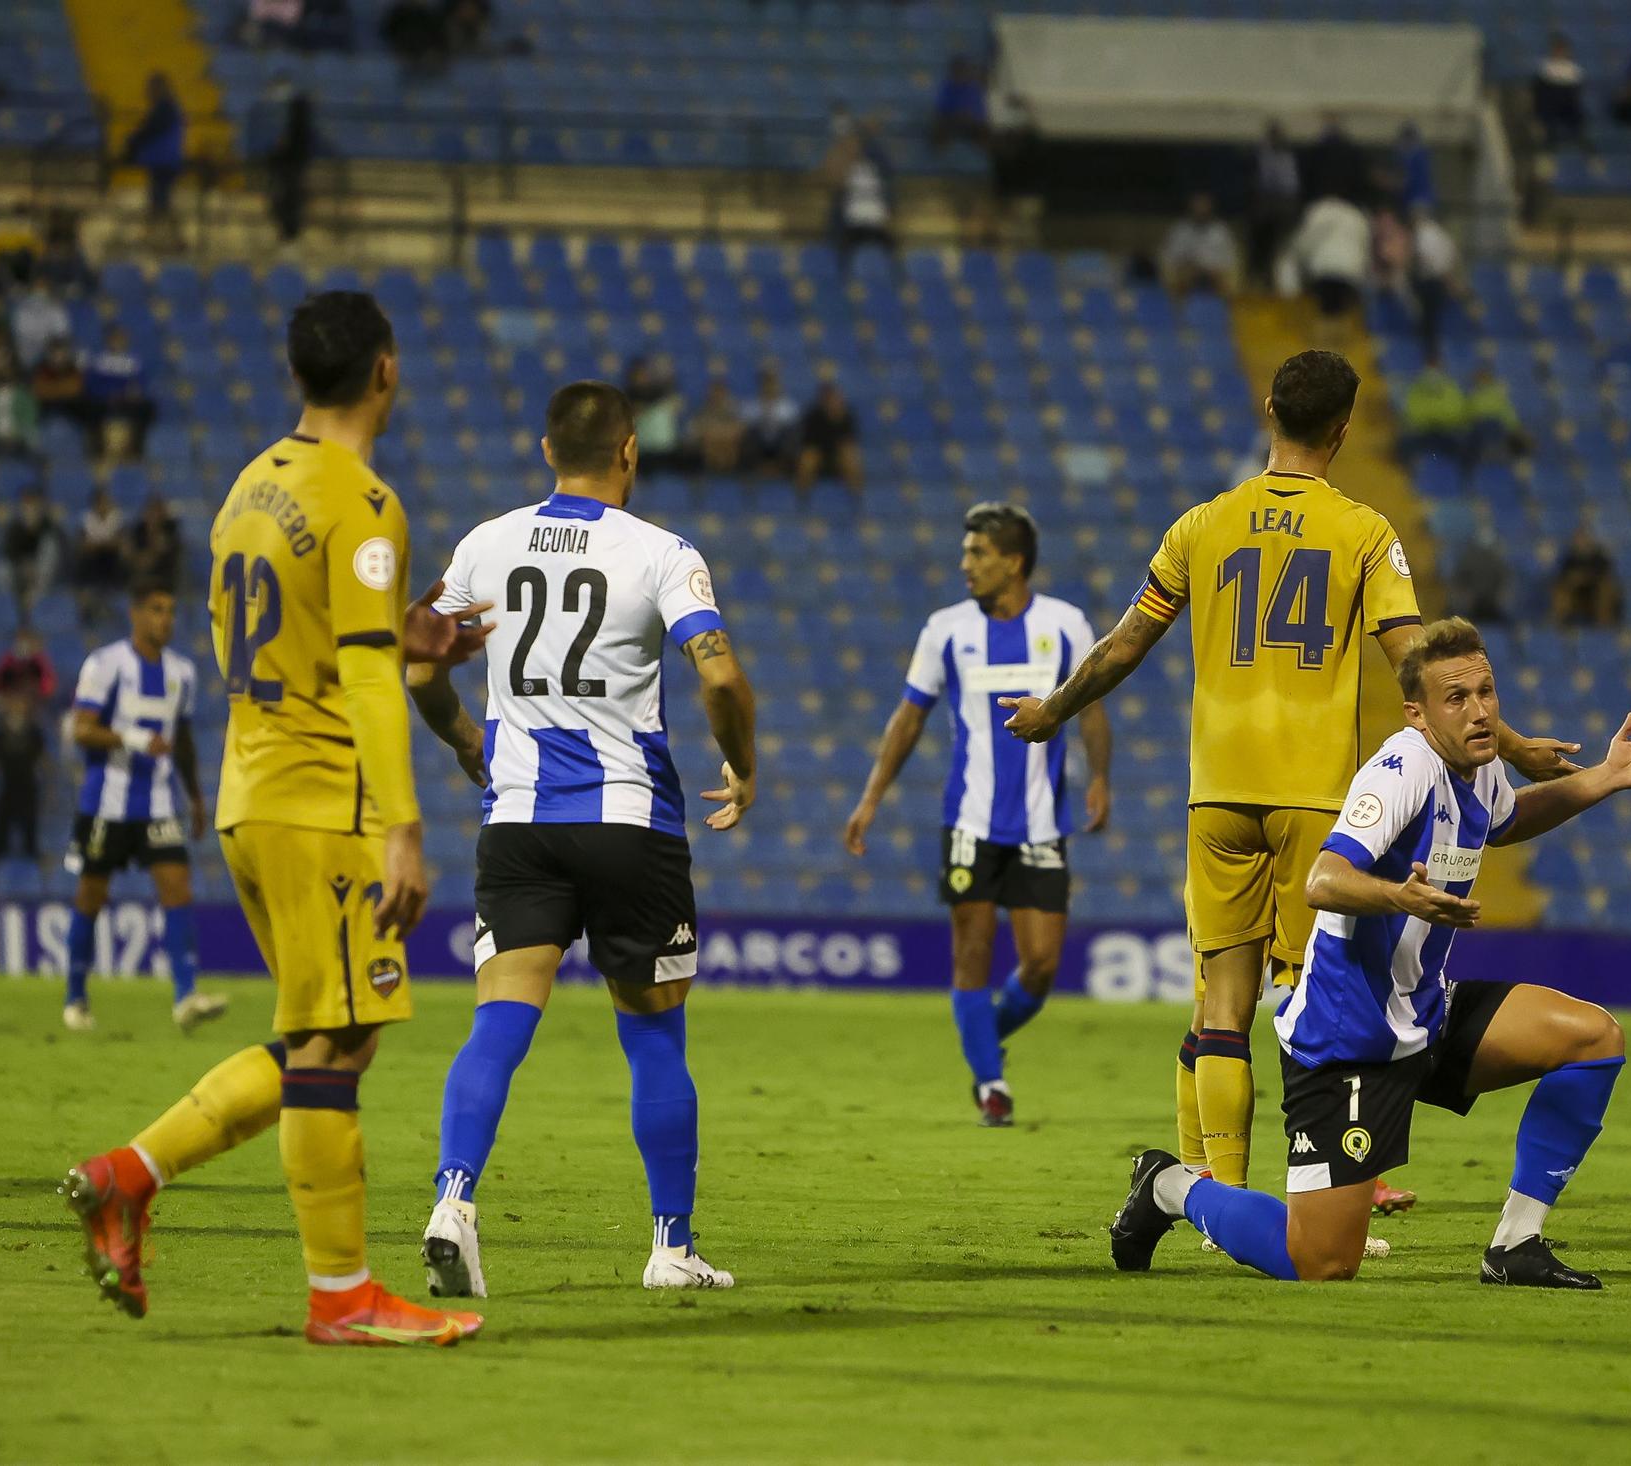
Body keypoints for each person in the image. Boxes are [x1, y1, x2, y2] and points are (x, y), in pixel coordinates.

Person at [1000, 352, 1578, 1212]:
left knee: (1222, 1000)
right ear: (1344, 431)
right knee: (1328, 1001)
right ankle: (1341, 1182)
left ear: (1269, 408)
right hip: (1314, 799)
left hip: (1217, 793)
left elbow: (1125, 644)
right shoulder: (1364, 532)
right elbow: (1420, 665)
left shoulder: (1201, 524)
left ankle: (1223, 1207)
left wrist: (1053, 707)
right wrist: (1516, 744)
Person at [61, 291, 492, 1345]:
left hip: (250, 796)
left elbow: (290, 634)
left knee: (317, 1035)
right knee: (337, 1048)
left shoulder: (247, 486)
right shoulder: (364, 500)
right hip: (323, 803)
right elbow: (359, 675)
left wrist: (399, 638)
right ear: (384, 372)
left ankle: (129, 1174)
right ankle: (342, 1295)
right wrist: (401, 823)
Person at [1107, 619, 1631, 1288]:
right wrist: (1398, 898)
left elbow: (1507, 820)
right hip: (1348, 1038)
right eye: (1456, 698)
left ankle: (1515, 1244)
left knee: (1593, 1038)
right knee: (1320, 1262)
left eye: (1486, 691)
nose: (1479, 710)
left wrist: (1605, 778)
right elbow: (1324, 879)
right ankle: (1170, 1186)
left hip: (1422, 1014)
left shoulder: (1483, 765)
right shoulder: (1404, 767)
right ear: (1419, 712)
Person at [407, 380, 758, 1299]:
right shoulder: (662, 553)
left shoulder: (486, 545)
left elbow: (417, 659)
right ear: (631, 452)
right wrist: (742, 762)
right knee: (654, 1039)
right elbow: (718, 674)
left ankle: (453, 1201)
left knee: (499, 1021)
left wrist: (460, 736)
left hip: (518, 821)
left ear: (545, 449)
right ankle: (672, 1246)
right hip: (627, 824)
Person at [845, 503, 1111, 1126]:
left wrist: (1100, 777)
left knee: (1041, 965)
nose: (965, 565)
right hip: (969, 822)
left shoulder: (1066, 624)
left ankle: (983, 1037)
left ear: (1013, 563)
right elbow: (908, 718)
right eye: (966, 552)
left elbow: (1092, 709)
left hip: (1042, 823)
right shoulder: (945, 629)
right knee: (972, 950)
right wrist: (871, 796)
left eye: (978, 554)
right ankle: (992, 1083)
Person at [57, 582, 218, 1034]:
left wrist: (196, 796)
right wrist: (131, 738)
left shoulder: (182, 673)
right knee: (91, 896)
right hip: (105, 803)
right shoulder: (105, 665)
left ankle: (186, 996)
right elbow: (81, 729)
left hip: (161, 802)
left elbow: (181, 741)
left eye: (169, 610)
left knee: (178, 889)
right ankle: (75, 997)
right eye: (155, 610)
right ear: (135, 614)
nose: (164, 619)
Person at [0, 688, 46, 874]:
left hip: (29, 790)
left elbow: (45, 765)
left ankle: (35, 882)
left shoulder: (34, 733)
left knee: (31, 841)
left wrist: (50, 793)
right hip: (7, 790)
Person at [826, 122, 896, 275]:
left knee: (891, 251)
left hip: (875, 224)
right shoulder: (845, 168)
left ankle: (894, 284)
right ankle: (846, 281)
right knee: (844, 252)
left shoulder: (876, 166)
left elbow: (889, 170)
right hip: (853, 224)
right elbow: (834, 185)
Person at [1290, 194, 1371, 325]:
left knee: (1323, 316)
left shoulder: (1319, 209)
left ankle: (1324, 340)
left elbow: (1304, 241)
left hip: (1323, 271)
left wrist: (1301, 269)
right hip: (1350, 274)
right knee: (1340, 317)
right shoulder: (1357, 214)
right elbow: (1365, 246)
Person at [124, 74, 186, 235]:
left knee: (159, 200)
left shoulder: (165, 108)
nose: (147, 92)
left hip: (163, 159)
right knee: (160, 199)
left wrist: (131, 144)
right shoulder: (169, 107)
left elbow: (148, 131)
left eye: (150, 88)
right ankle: (164, 235)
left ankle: (164, 235)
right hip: (166, 160)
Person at [84, 325, 155, 458]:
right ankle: (97, 448)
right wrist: (109, 394)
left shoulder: (133, 361)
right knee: (90, 408)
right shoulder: (99, 361)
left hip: (127, 401)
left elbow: (141, 383)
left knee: (147, 408)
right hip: (104, 400)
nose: (118, 343)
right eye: (115, 340)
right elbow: (91, 385)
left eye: (121, 340)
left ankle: (136, 447)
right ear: (108, 341)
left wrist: (134, 392)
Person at [1248, 122, 1301, 291]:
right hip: (1265, 206)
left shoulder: (1290, 157)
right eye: (1273, 137)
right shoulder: (1261, 155)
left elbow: (1292, 186)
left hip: (1284, 206)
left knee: (1283, 247)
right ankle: (1261, 276)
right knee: (1262, 245)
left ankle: (1278, 280)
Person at [1158, 193, 1239, 298]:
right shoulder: (1180, 230)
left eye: (1204, 206)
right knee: (1182, 276)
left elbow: (1229, 261)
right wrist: (1187, 268)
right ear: (1190, 208)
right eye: (1197, 206)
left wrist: (1207, 270)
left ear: (1210, 208)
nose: (1200, 210)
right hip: (1186, 276)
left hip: (1213, 276)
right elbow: (1168, 258)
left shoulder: (1221, 232)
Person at [1397, 354, 1471, 465]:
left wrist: (1435, 416)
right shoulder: (1415, 388)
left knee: (1464, 445)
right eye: (1431, 368)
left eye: (1436, 368)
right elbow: (1412, 413)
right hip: (1423, 432)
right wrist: (1434, 417)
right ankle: (1414, 474)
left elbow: (1456, 411)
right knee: (1405, 444)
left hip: (1446, 431)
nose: (1433, 373)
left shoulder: (1451, 388)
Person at [0, 487, 63, 613]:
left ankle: (36, 601)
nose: (30, 508)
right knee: (0, 569)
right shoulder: (15, 526)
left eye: (33, 504)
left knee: (49, 549)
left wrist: (34, 567)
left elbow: (55, 555)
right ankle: (8, 605)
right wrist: (22, 565)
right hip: (20, 568)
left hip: (42, 570)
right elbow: (9, 551)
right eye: (26, 504)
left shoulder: (48, 525)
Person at [266, 78, 314, 244]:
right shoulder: (296, 121)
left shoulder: (298, 123)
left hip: (291, 167)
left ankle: (290, 233)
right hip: (290, 167)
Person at [796, 380, 864, 490]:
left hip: (838, 456)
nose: (832, 402)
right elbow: (807, 444)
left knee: (850, 456)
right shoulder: (812, 416)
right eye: (828, 399)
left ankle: (857, 497)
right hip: (818, 455)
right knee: (807, 460)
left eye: (835, 398)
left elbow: (849, 442)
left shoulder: (847, 417)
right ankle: (802, 499)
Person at [1410, 205, 1458, 360]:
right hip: (1439, 278)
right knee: (1433, 318)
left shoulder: (1423, 232)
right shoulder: (1439, 232)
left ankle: (1428, 350)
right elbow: (1451, 252)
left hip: (1430, 278)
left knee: (1428, 319)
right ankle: (1431, 348)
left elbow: (1423, 255)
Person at [1551, 527, 1622, 627]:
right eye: (1578, 540)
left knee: (1606, 588)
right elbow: (1564, 577)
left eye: (1583, 539)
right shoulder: (1569, 559)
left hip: (1595, 595)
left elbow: (1604, 576)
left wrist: (1584, 577)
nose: (1580, 542)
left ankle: (1604, 625)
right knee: (1560, 590)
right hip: (1575, 596)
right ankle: (1560, 624)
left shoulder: (1599, 557)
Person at [623, 354, 682, 475]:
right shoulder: (628, 394)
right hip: (641, 448)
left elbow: (674, 402)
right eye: (639, 375)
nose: (642, 378)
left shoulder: (657, 391)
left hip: (664, 446)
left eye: (644, 374)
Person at [73, 488, 127, 609]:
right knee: (86, 561)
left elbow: (120, 542)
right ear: (94, 504)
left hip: (111, 560)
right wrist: (105, 543)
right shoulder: (86, 518)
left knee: (114, 559)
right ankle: (88, 597)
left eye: (106, 502)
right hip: (92, 560)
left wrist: (99, 544)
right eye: (100, 502)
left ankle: (113, 596)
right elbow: (84, 545)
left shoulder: (116, 517)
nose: (103, 505)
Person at [741, 366, 800, 476]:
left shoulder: (789, 407)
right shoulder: (750, 406)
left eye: (773, 383)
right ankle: (757, 470)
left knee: (791, 435)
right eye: (766, 383)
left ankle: (780, 469)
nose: (770, 387)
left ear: (779, 385)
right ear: (761, 385)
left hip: (780, 447)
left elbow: (792, 434)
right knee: (748, 434)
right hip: (759, 447)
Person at [1533, 32, 1587, 147]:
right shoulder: (1545, 65)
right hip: (1550, 101)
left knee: (1574, 104)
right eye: (1557, 49)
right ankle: (1550, 137)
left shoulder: (1573, 68)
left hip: (1568, 103)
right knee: (1547, 94)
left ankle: (1578, 138)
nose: (1560, 52)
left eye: (1562, 49)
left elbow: (1577, 88)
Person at [931, 54, 989, 150]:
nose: (960, 74)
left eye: (963, 71)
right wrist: (956, 114)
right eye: (957, 71)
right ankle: (941, 155)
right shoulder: (946, 86)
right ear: (952, 72)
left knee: (985, 130)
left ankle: (981, 156)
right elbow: (940, 108)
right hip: (951, 120)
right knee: (938, 127)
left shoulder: (973, 88)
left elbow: (981, 112)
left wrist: (971, 116)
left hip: (970, 122)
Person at [0, 625, 57, 707]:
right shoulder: (8, 658)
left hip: (34, 701)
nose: (24, 646)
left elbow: (48, 687)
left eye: (27, 643)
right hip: (10, 697)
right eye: (20, 642)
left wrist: (35, 657)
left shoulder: (40, 660)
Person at [689, 378, 744, 474]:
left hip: (729, 448)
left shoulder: (734, 410)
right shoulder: (702, 411)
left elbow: (740, 429)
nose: (716, 396)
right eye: (713, 393)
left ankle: (729, 470)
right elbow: (695, 429)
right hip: (709, 450)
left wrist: (717, 432)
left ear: (725, 394)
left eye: (719, 393)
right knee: (707, 441)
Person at [127, 493, 183, 585]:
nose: (153, 516)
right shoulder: (139, 529)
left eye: (157, 512)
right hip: (139, 574)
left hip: (165, 576)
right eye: (150, 511)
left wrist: (154, 535)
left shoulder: (170, 528)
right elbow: (131, 551)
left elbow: (164, 549)